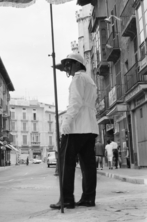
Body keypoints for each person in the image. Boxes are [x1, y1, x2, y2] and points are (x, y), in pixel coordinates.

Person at [50, 53, 99, 210]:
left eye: (69, 65)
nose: (68, 68)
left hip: (76, 128)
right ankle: (88, 198)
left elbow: (75, 102)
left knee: (66, 164)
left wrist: (67, 122)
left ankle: (66, 199)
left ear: (78, 65)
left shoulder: (78, 78)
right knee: (88, 166)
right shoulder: (90, 80)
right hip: (90, 128)